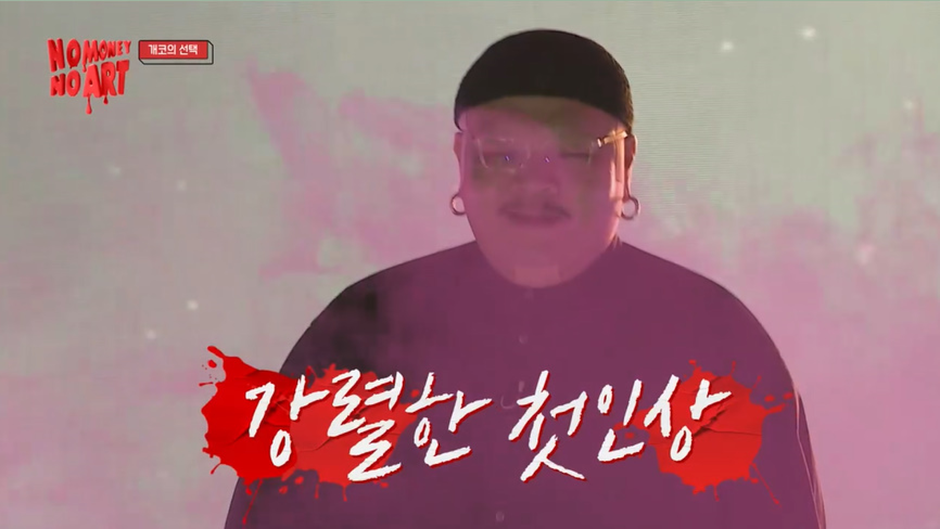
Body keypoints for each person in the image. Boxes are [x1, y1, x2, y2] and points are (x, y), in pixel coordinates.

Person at [223, 29, 826, 529]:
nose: (536, 183)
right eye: (503, 154)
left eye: (575, 151)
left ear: (626, 163)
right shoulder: (362, 332)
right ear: (460, 162)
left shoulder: (715, 342)